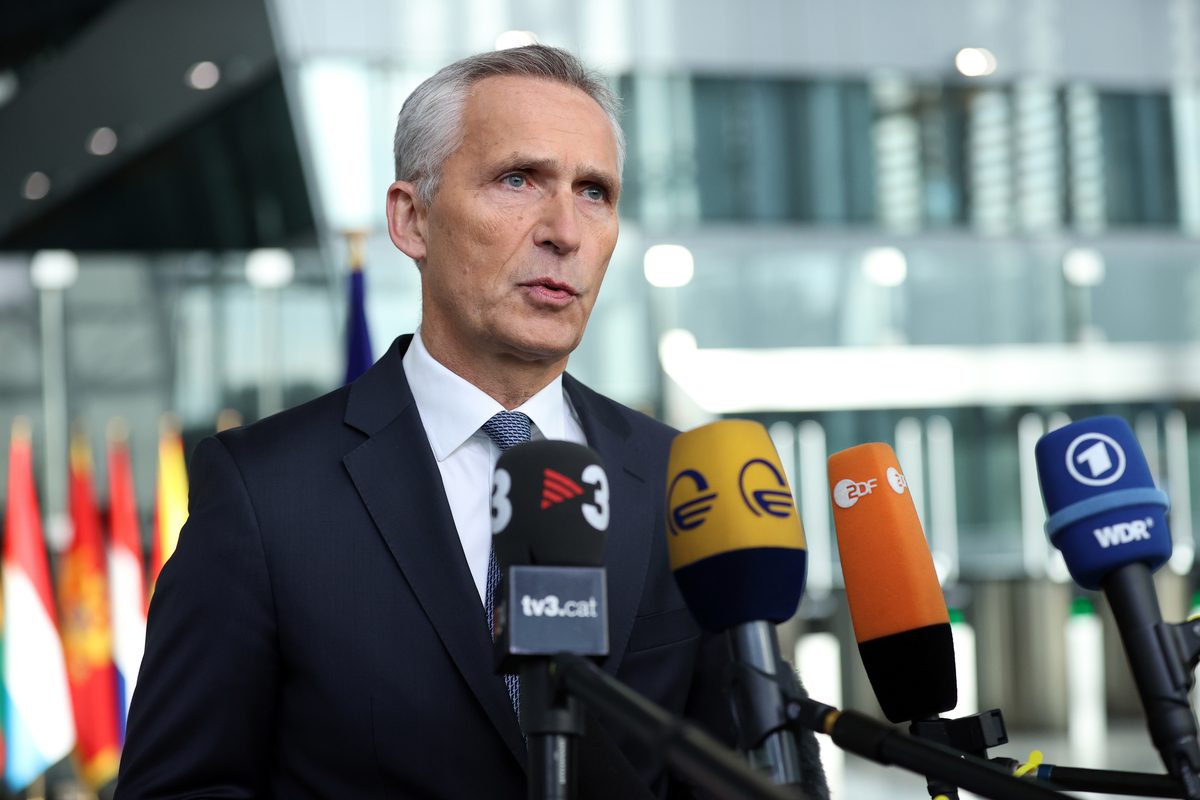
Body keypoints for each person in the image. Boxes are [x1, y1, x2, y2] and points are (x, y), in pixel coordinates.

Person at [116, 45, 827, 799]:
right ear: (412, 219)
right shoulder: (265, 491)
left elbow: (760, 775)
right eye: (518, 180)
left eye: (595, 191)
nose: (565, 230)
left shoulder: (680, 479)